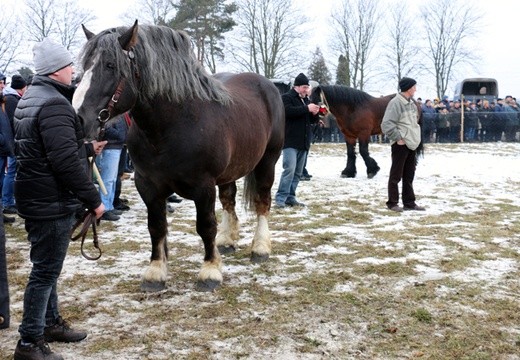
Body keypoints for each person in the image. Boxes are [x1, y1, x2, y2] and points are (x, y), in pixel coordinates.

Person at [13, 38, 106, 360]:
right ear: (56, 70)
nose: (73, 70)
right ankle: (29, 342)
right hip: (49, 200)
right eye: (69, 65)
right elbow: (63, 163)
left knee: (46, 268)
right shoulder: (54, 103)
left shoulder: (33, 99)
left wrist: (84, 149)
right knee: (44, 273)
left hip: (37, 196)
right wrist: (94, 199)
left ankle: (50, 323)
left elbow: (43, 148)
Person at [274, 73, 319, 208]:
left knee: (298, 172)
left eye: (307, 87)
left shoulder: (306, 100)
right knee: (289, 170)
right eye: (304, 87)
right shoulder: (286, 98)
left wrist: (316, 114)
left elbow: (309, 120)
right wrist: (307, 108)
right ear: (297, 87)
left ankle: (290, 196)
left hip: (303, 142)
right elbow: (288, 112)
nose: (306, 90)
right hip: (290, 141)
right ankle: (280, 198)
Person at [381, 77, 425, 212]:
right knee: (396, 174)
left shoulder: (411, 103)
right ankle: (392, 203)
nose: (415, 89)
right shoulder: (396, 103)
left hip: (411, 143)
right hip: (401, 144)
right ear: (408, 88)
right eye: (414, 87)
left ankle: (409, 202)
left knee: (409, 174)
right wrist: (398, 138)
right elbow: (386, 124)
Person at [3, 75, 28, 216]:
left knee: (12, 171)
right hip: (14, 142)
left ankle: (9, 200)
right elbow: (14, 122)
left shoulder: (10, 99)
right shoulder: (12, 100)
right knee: (12, 171)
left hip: (13, 141)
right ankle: (7, 201)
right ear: (21, 88)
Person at [96, 113, 127, 221]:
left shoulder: (120, 114)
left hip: (116, 146)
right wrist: (121, 135)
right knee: (107, 180)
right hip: (110, 147)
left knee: (112, 179)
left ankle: (109, 205)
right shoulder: (108, 114)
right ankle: (104, 208)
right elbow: (105, 128)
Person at [0, 73, 15, 224]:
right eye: (0, 83)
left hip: (4, 149)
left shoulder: (2, 102)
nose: (3, 85)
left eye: (3, 83)